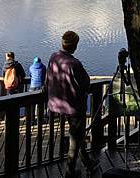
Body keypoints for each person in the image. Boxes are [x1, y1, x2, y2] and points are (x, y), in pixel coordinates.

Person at [45, 31, 98, 177]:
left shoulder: (53, 57)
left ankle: (89, 163)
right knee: (75, 140)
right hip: (73, 107)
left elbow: (48, 77)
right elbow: (86, 84)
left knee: (78, 136)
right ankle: (70, 172)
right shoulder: (74, 63)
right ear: (74, 46)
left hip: (56, 103)